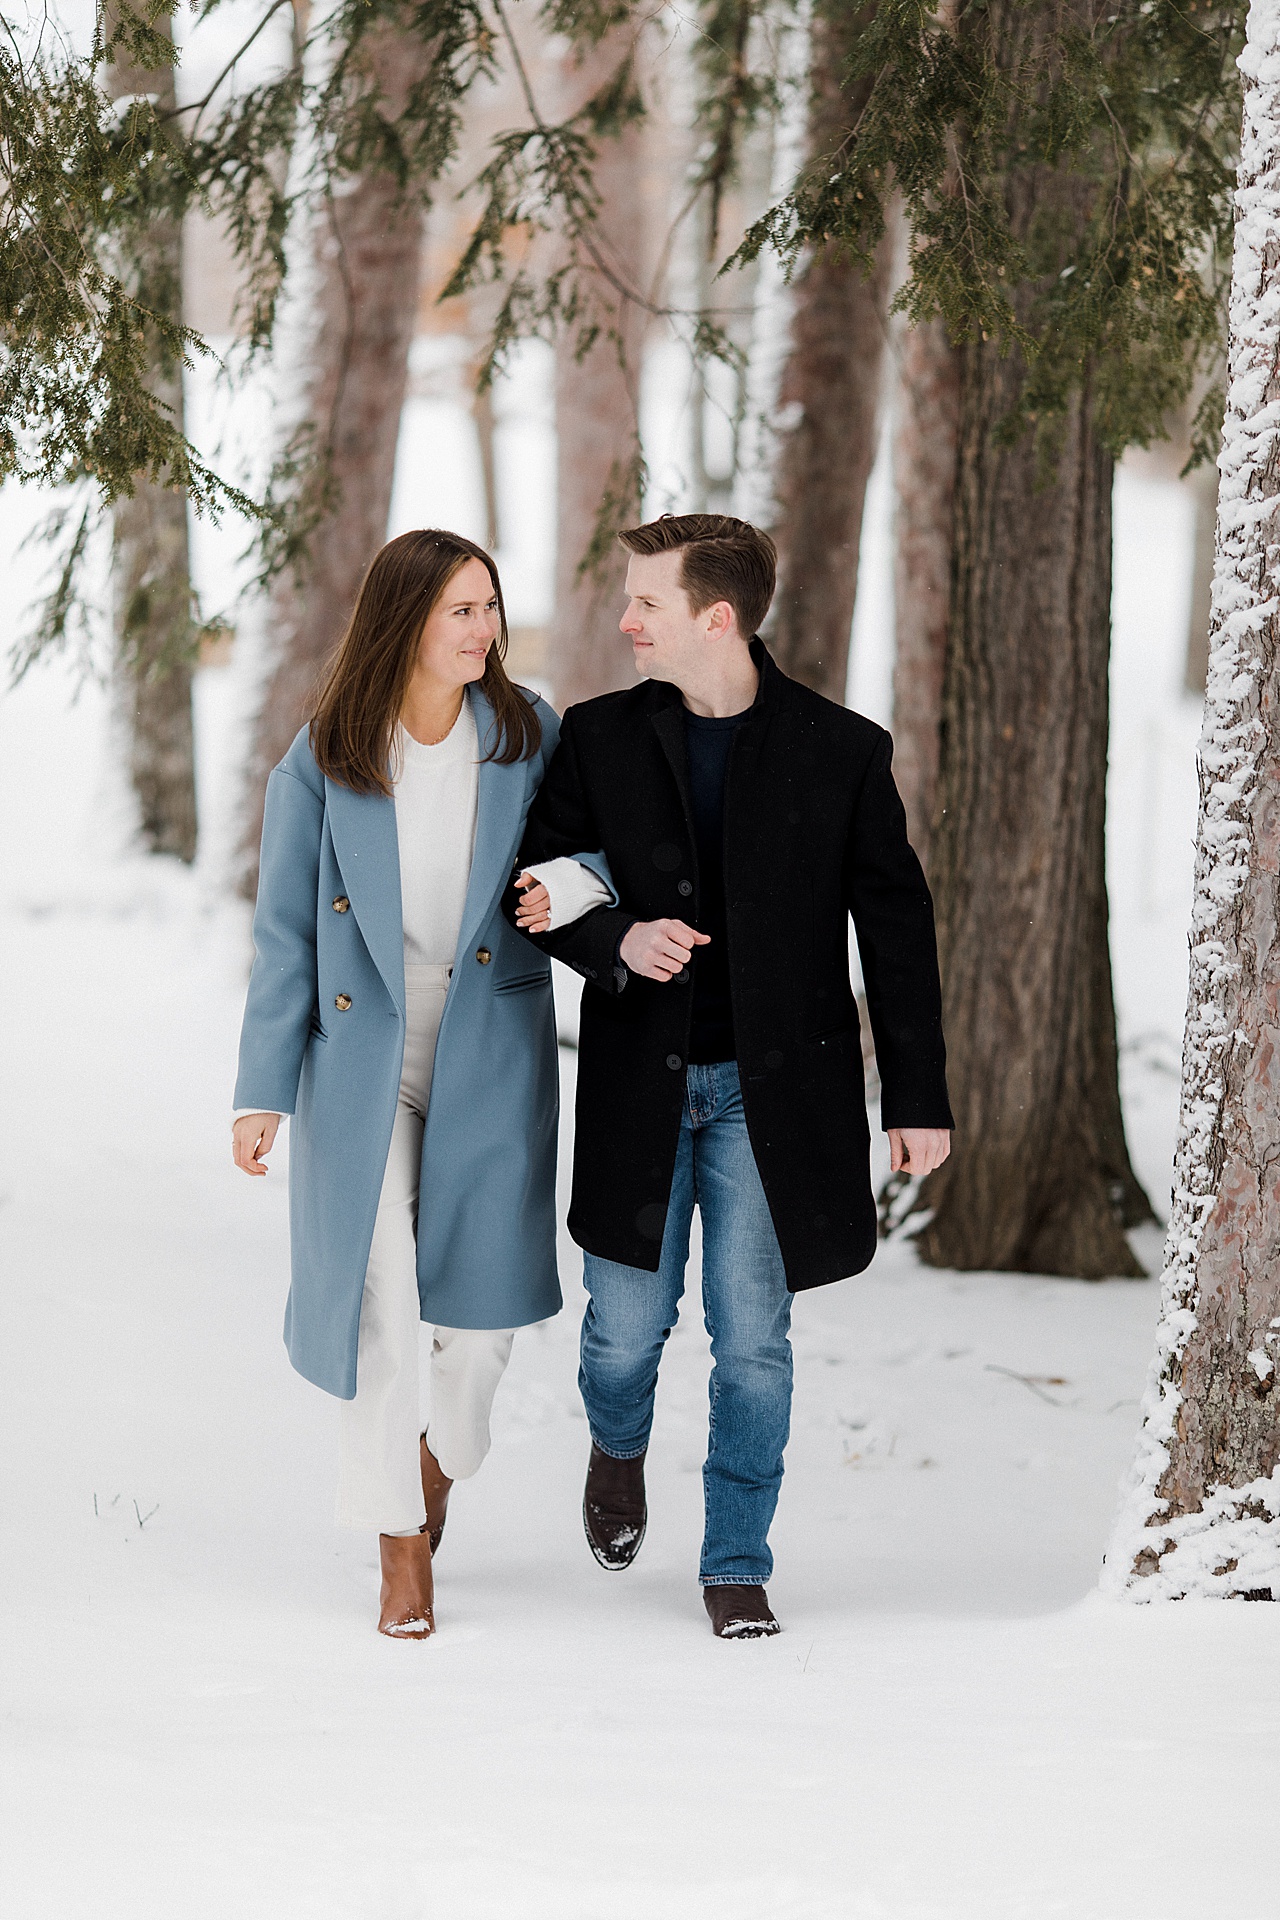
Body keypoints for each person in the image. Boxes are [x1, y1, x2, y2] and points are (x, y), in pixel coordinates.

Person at [506, 513, 953, 1639]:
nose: (624, 621)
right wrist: (612, 940)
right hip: (637, 1090)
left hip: (775, 1097)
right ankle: (618, 1448)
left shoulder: (841, 750)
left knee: (751, 1335)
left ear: (716, 618)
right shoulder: (600, 736)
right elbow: (535, 881)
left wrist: (915, 1098)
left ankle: (735, 1559)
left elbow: (893, 930)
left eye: (643, 604)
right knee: (622, 1332)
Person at [232, 529, 611, 1639]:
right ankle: (399, 1542)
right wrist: (260, 1089)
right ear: (404, 620)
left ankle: (440, 1463)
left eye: (489, 606)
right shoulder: (326, 753)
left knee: (480, 1329)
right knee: (384, 1304)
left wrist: (565, 884)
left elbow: (601, 851)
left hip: (489, 1046)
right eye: (460, 609)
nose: (483, 629)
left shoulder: (527, 733)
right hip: (362, 1060)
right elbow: (281, 937)